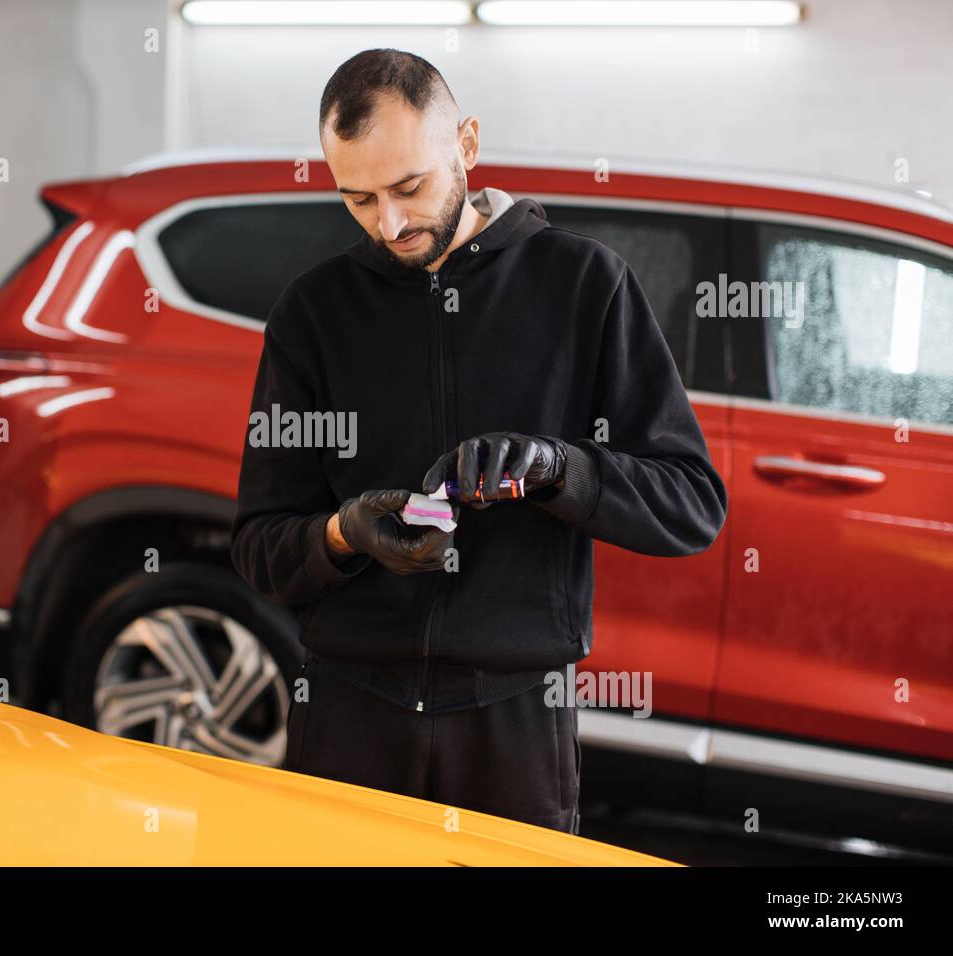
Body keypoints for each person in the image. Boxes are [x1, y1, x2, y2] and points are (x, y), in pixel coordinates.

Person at [230, 48, 727, 834]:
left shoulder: (586, 286)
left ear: (465, 144)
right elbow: (259, 545)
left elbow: (692, 506)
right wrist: (342, 533)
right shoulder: (313, 314)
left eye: (408, 187)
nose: (389, 224)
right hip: (348, 716)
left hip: (515, 725)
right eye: (356, 199)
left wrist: (559, 469)